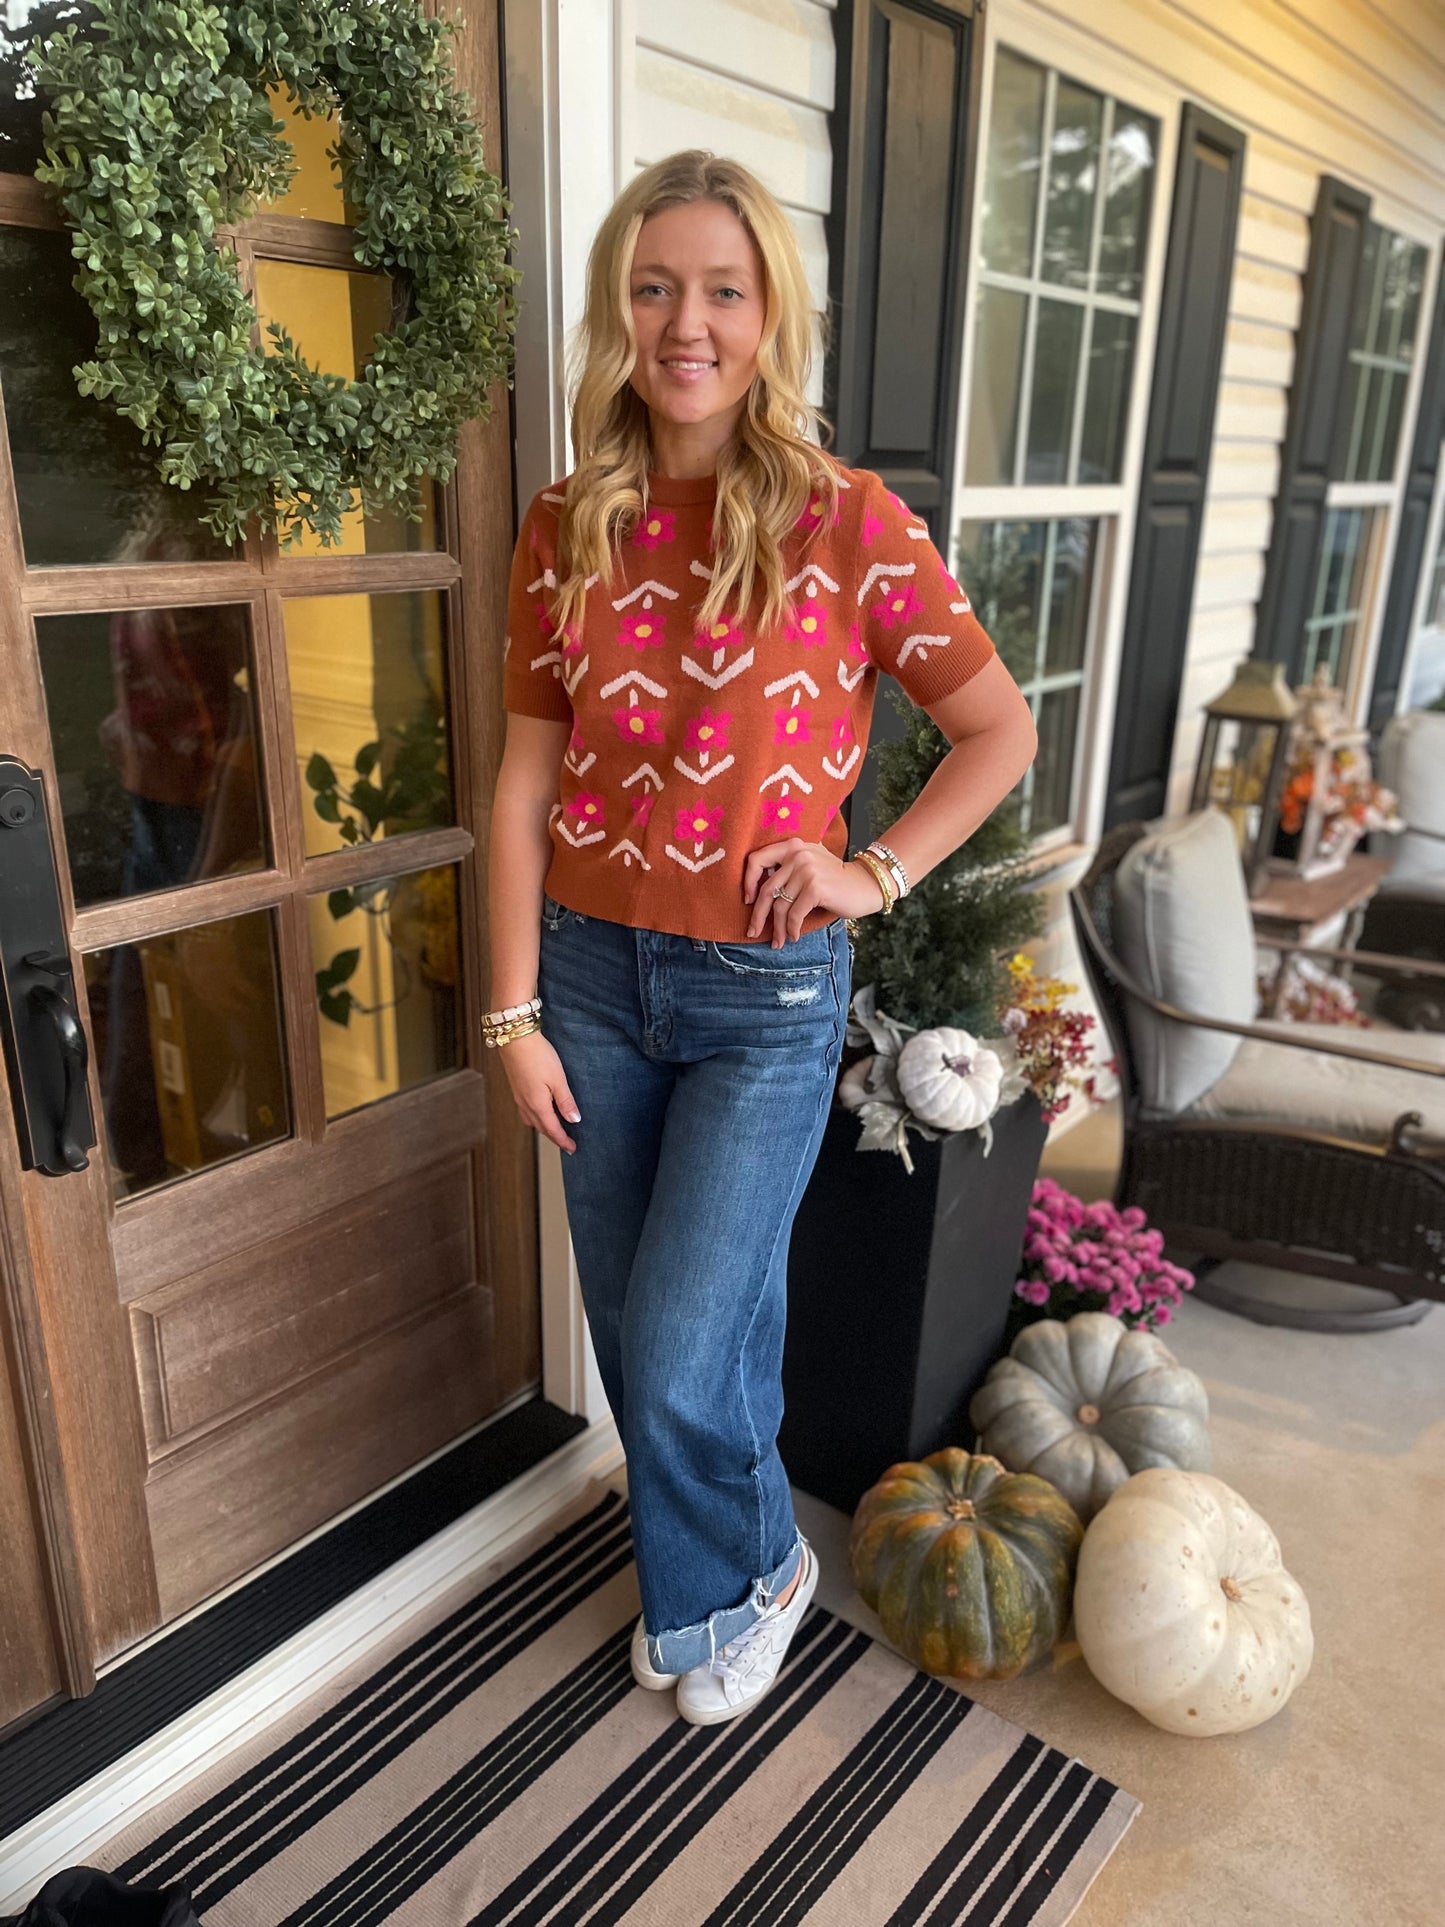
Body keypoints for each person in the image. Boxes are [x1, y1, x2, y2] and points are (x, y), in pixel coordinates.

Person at [487, 150, 1037, 1726]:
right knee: (666, 1324)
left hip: (764, 996)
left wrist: (874, 870)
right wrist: (512, 1015)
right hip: (587, 977)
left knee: (671, 1344)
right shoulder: (562, 522)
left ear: (766, 312)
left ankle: (741, 1576)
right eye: (655, 287)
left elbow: (994, 731)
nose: (686, 323)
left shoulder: (847, 523)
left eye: (721, 290)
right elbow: (526, 777)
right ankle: (737, 1568)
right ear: (620, 309)